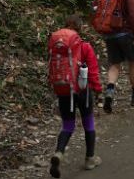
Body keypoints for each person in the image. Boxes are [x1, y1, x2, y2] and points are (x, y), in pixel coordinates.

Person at [48, 15, 102, 178]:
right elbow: (92, 72)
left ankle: (58, 153)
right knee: (88, 123)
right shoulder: (85, 47)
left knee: (67, 126)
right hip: (82, 91)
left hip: (63, 89)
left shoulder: (57, 47)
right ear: (79, 28)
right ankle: (90, 158)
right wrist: (98, 90)